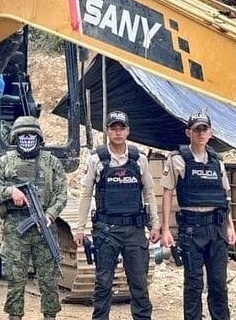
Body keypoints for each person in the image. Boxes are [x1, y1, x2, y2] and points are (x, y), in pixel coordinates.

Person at [73, 110, 160, 320]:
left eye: (122, 128)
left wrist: (155, 225)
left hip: (134, 230)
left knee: (139, 283)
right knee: (103, 283)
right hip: (106, 231)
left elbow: (149, 192)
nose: (118, 132)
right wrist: (80, 227)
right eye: (114, 128)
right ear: (107, 130)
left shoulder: (139, 159)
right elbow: (86, 195)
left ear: (128, 131)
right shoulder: (97, 159)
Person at [0, 116, 67, 320]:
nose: (27, 139)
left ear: (39, 137)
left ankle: (50, 316)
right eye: (23, 135)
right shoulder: (5, 161)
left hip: (44, 227)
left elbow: (61, 194)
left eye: (31, 135)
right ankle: (14, 316)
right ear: (15, 138)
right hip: (16, 229)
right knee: (15, 280)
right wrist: (11, 192)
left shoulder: (51, 162)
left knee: (49, 280)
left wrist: (50, 214)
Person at [160, 111, 236, 320]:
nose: (201, 134)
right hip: (191, 229)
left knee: (218, 284)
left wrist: (230, 226)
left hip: (216, 227)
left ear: (210, 133)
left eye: (205, 129)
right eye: (197, 130)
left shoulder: (217, 161)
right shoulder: (177, 160)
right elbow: (167, 194)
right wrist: (165, 228)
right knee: (193, 284)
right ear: (189, 133)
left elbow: (225, 196)